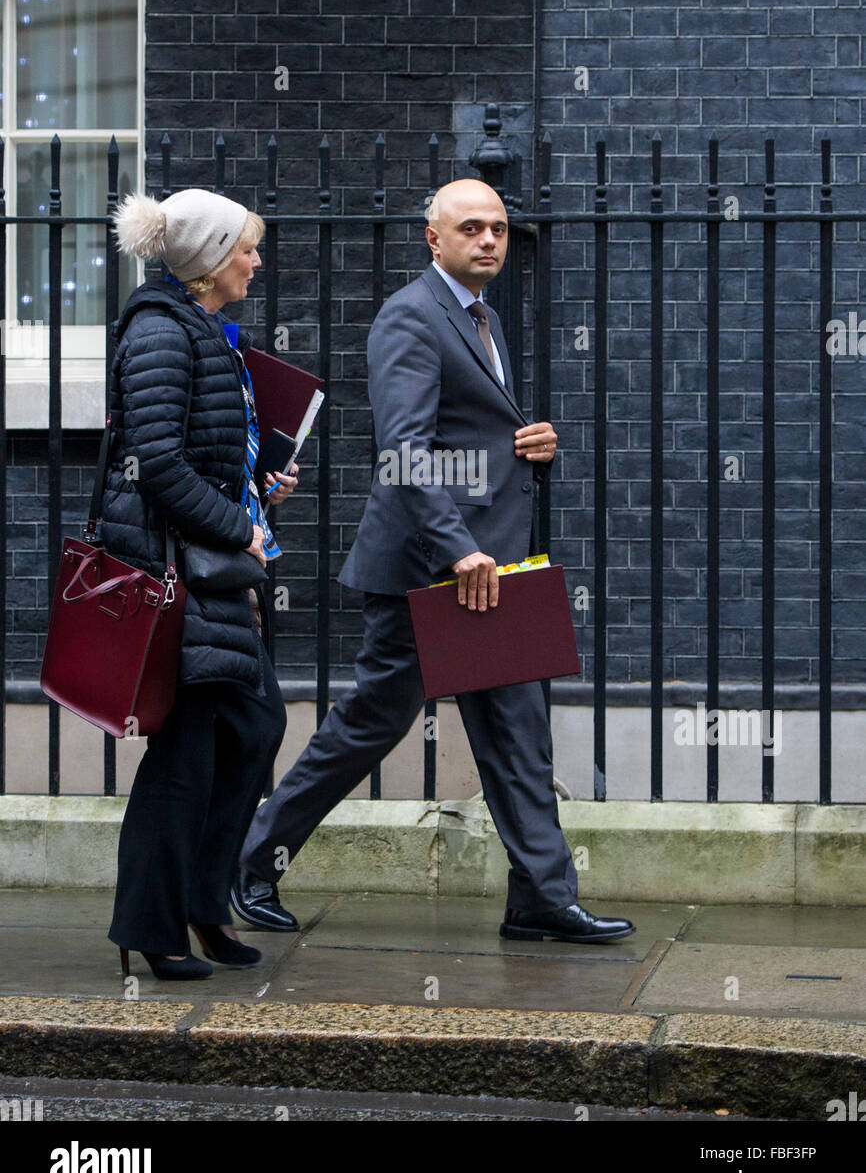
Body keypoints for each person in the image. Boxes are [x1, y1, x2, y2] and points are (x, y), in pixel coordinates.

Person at [233, 179, 635, 945]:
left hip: (491, 569)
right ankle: (252, 861)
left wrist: (526, 447)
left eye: (500, 230)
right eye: (472, 229)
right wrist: (460, 550)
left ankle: (541, 898)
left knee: (519, 732)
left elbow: (459, 441)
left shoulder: (480, 317)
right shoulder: (412, 317)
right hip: (432, 567)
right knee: (368, 727)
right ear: (435, 240)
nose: (489, 241)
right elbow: (405, 453)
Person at [103, 188, 297, 980]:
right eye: (246, 248)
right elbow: (155, 466)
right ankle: (154, 927)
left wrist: (258, 481)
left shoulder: (204, 332)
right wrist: (237, 526)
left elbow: (204, 449)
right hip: (176, 576)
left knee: (249, 731)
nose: (256, 260)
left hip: (208, 574)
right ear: (211, 261)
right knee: (188, 752)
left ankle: (200, 906)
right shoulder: (158, 333)